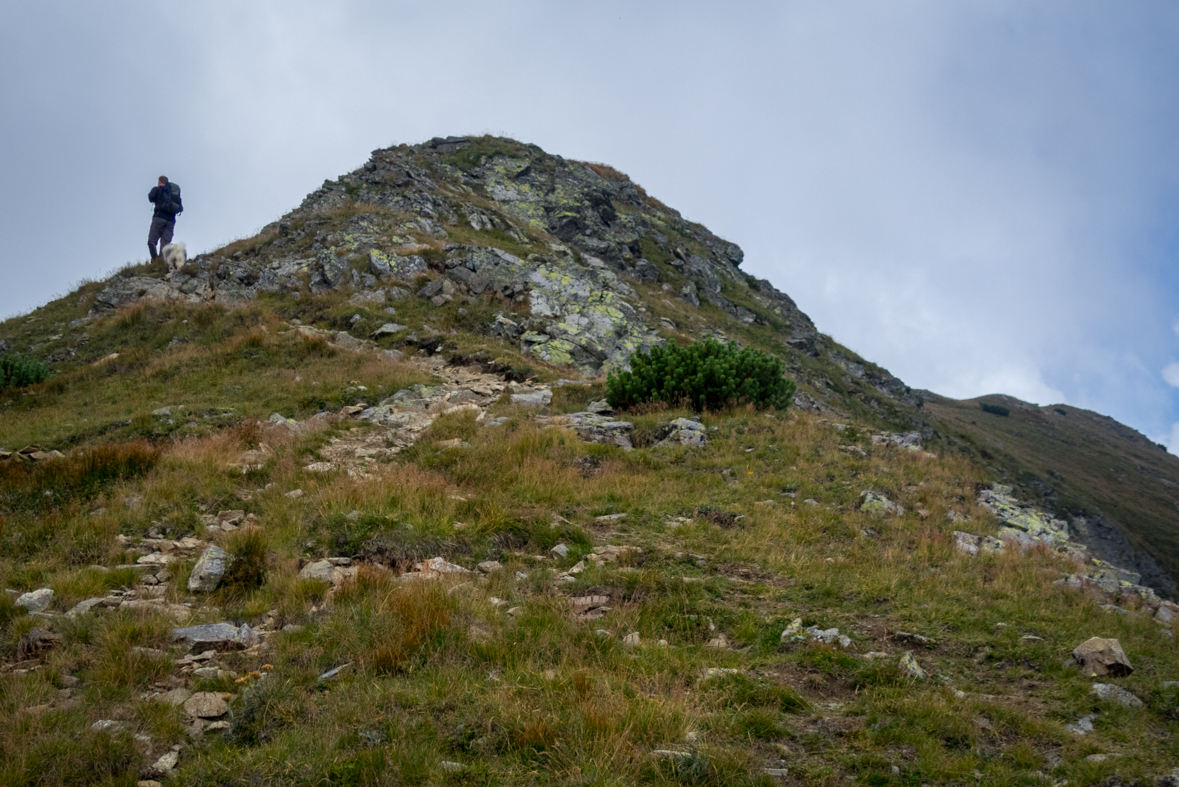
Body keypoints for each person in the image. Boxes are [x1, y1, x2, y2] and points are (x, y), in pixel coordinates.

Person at [147, 176, 183, 260]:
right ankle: (162, 263)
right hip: (171, 221)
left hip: (159, 218)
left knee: (151, 241)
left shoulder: (158, 189)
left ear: (159, 182)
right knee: (165, 245)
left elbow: (151, 197)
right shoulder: (172, 193)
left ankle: (155, 261)